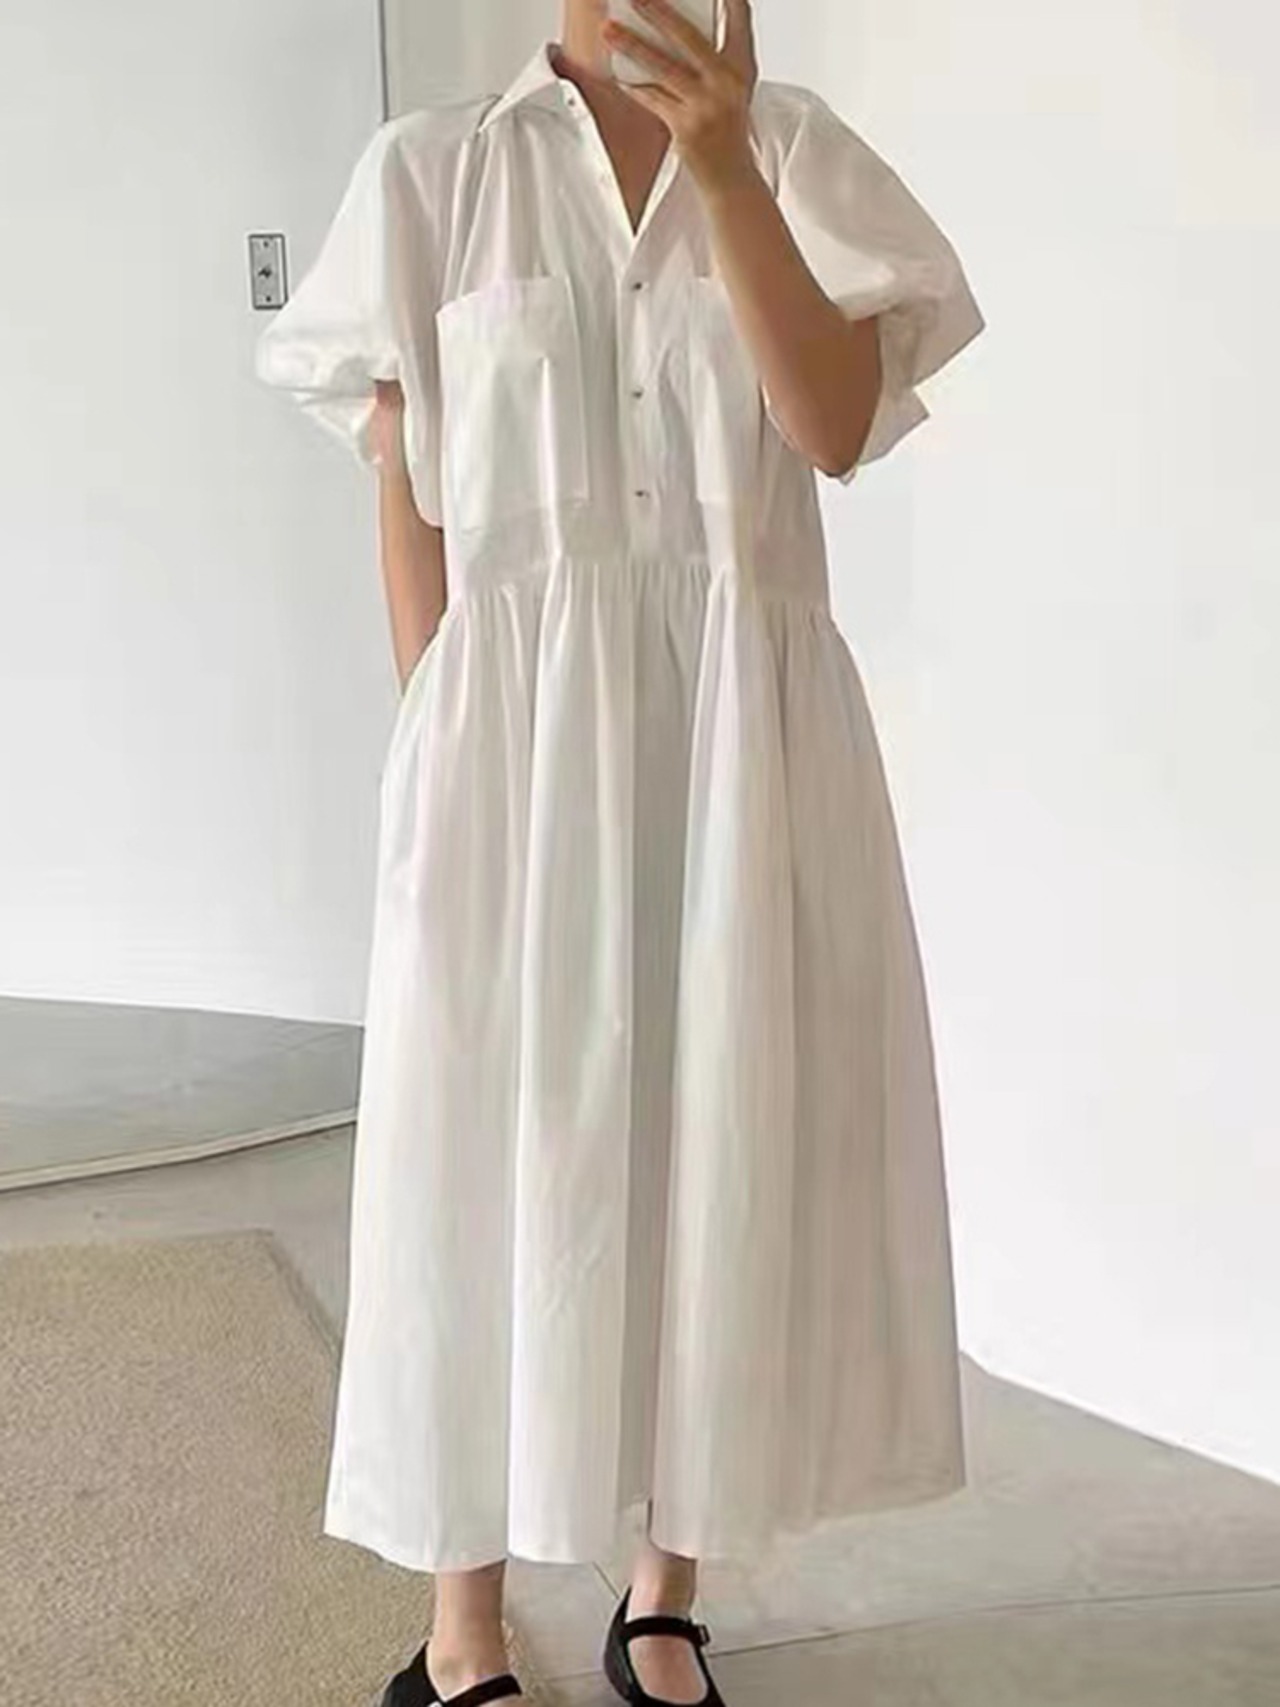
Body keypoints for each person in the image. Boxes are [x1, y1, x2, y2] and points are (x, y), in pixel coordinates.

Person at [255, 2, 985, 1704]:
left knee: (712, 1123)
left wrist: (726, 169)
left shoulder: (793, 155)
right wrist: (440, 739)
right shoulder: (434, 174)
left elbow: (830, 429)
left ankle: (665, 1590)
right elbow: (410, 490)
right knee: (485, 1143)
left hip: (742, 737)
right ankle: (461, 1617)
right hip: (509, 746)